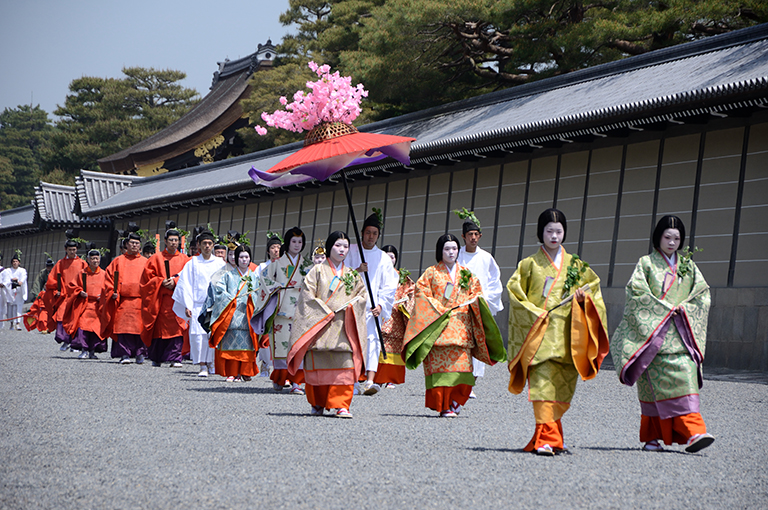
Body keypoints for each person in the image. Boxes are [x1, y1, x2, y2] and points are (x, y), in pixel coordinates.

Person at [506, 208, 609, 455]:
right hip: (539, 336)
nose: (554, 236)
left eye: (559, 231)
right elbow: (515, 294)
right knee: (541, 386)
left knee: (560, 388)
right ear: (540, 233)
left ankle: (551, 438)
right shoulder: (528, 264)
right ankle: (546, 440)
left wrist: (584, 300)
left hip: (566, 337)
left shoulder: (577, 265)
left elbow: (593, 290)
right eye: (549, 231)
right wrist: (534, 313)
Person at [610, 215, 715, 453]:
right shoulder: (646, 264)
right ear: (658, 237)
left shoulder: (688, 265)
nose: (672, 242)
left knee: (685, 381)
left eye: (677, 238)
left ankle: (693, 432)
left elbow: (702, 294)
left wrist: (684, 309)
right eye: (667, 237)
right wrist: (663, 309)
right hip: (653, 336)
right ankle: (652, 438)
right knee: (652, 388)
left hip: (681, 335)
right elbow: (636, 293)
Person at [403, 234, 506, 418]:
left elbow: (477, 294)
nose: (451, 252)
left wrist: (475, 302)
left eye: (454, 249)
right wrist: (439, 309)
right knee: (441, 372)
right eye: (447, 249)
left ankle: (456, 401)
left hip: (460, 328)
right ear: (440, 251)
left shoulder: (466, 274)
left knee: (463, 370)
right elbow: (421, 295)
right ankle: (444, 406)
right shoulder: (431, 273)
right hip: (437, 328)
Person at [286, 231, 367, 418]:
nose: (342, 249)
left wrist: (353, 304)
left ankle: (342, 405)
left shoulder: (352, 275)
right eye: (338, 245)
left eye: (345, 246)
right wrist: (325, 312)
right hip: (320, 325)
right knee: (318, 367)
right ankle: (318, 402)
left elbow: (362, 296)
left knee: (344, 366)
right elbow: (307, 297)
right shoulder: (317, 271)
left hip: (343, 327)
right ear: (330, 247)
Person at [345, 212, 398, 396]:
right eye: (368, 232)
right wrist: (356, 270)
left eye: (374, 233)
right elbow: (339, 273)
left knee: (373, 341)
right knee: (351, 343)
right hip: (352, 306)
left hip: (372, 308)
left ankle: (369, 380)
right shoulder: (351, 251)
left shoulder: (383, 257)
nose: (371, 236)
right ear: (362, 232)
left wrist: (382, 305)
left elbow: (389, 285)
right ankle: (351, 380)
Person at [455, 212, 504, 399]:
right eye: (470, 235)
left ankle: (471, 383)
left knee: (477, 344)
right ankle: (460, 380)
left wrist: (484, 299)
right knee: (461, 344)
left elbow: (494, 282)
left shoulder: (486, 258)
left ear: (480, 236)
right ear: (463, 237)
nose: (473, 238)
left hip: (479, 306)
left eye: (476, 234)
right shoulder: (456, 255)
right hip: (459, 307)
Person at [257, 227, 311, 394]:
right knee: (280, 346)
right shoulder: (277, 264)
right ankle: (281, 377)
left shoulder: (307, 265)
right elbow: (264, 281)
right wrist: (276, 288)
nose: (297, 245)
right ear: (287, 243)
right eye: (293, 241)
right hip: (281, 307)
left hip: (300, 309)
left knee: (298, 345)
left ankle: (297, 382)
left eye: (300, 242)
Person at [172, 230, 226, 377]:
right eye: (204, 244)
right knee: (199, 335)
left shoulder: (220, 263)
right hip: (197, 304)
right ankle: (202, 365)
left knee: (212, 334)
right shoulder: (192, 263)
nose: (207, 246)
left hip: (215, 304)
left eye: (209, 243)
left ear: (213, 245)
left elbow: (224, 283)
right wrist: (188, 305)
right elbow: (186, 284)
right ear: (199, 246)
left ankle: (212, 363)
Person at [209, 245, 262, 381]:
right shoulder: (228, 276)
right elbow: (219, 292)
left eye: (247, 257)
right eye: (241, 257)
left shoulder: (254, 277)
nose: (244, 260)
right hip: (231, 314)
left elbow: (260, 294)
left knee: (246, 343)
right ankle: (232, 372)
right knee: (231, 342)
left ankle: (245, 372)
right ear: (236, 259)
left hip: (247, 314)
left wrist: (252, 298)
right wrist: (229, 299)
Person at [141, 225, 190, 368]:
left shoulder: (185, 259)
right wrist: (160, 282)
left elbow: (188, 278)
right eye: (171, 240)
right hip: (160, 300)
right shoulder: (156, 258)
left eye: (176, 240)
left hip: (178, 300)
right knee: (159, 329)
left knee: (178, 329)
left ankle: (175, 358)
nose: (173, 243)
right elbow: (146, 279)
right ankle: (157, 357)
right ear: (165, 241)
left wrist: (175, 282)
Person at [101, 232, 149, 364]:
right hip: (123, 301)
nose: (134, 245)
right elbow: (108, 280)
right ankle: (125, 354)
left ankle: (140, 353)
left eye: (137, 243)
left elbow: (152, 280)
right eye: (132, 243)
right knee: (123, 329)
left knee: (140, 329)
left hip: (140, 301)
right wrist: (112, 292)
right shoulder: (117, 261)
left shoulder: (146, 262)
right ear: (126, 245)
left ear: (140, 246)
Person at [373, 246, 415, 388]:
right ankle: (376, 378)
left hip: (396, 314)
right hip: (379, 313)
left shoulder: (402, 277)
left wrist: (405, 301)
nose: (390, 259)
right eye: (387, 256)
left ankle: (391, 378)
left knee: (394, 346)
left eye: (393, 256)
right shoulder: (376, 273)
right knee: (377, 345)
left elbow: (411, 292)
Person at [44, 238, 88, 350]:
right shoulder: (60, 263)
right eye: (70, 250)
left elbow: (87, 278)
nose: (72, 252)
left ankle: (74, 343)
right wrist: (56, 290)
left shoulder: (82, 263)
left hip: (77, 295)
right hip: (65, 295)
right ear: (65, 249)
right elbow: (52, 279)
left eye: (74, 249)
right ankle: (64, 339)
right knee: (61, 316)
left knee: (76, 318)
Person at [64, 247, 107, 359]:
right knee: (83, 328)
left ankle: (92, 351)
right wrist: (79, 292)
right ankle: (84, 350)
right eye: (92, 259)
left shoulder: (104, 274)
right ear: (88, 260)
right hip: (85, 305)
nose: (95, 261)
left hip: (98, 306)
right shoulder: (81, 273)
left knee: (95, 330)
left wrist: (103, 297)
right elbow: (72, 286)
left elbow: (109, 288)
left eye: (97, 259)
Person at [1, 252, 27, 330]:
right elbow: (6, 279)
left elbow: (23, 277)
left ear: (19, 262)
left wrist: (20, 281)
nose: (15, 263)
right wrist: (11, 280)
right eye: (13, 261)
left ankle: (18, 323)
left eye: (16, 261)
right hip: (11, 291)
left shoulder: (22, 270)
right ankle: (12, 323)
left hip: (18, 291)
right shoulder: (8, 270)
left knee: (18, 306)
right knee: (10, 306)